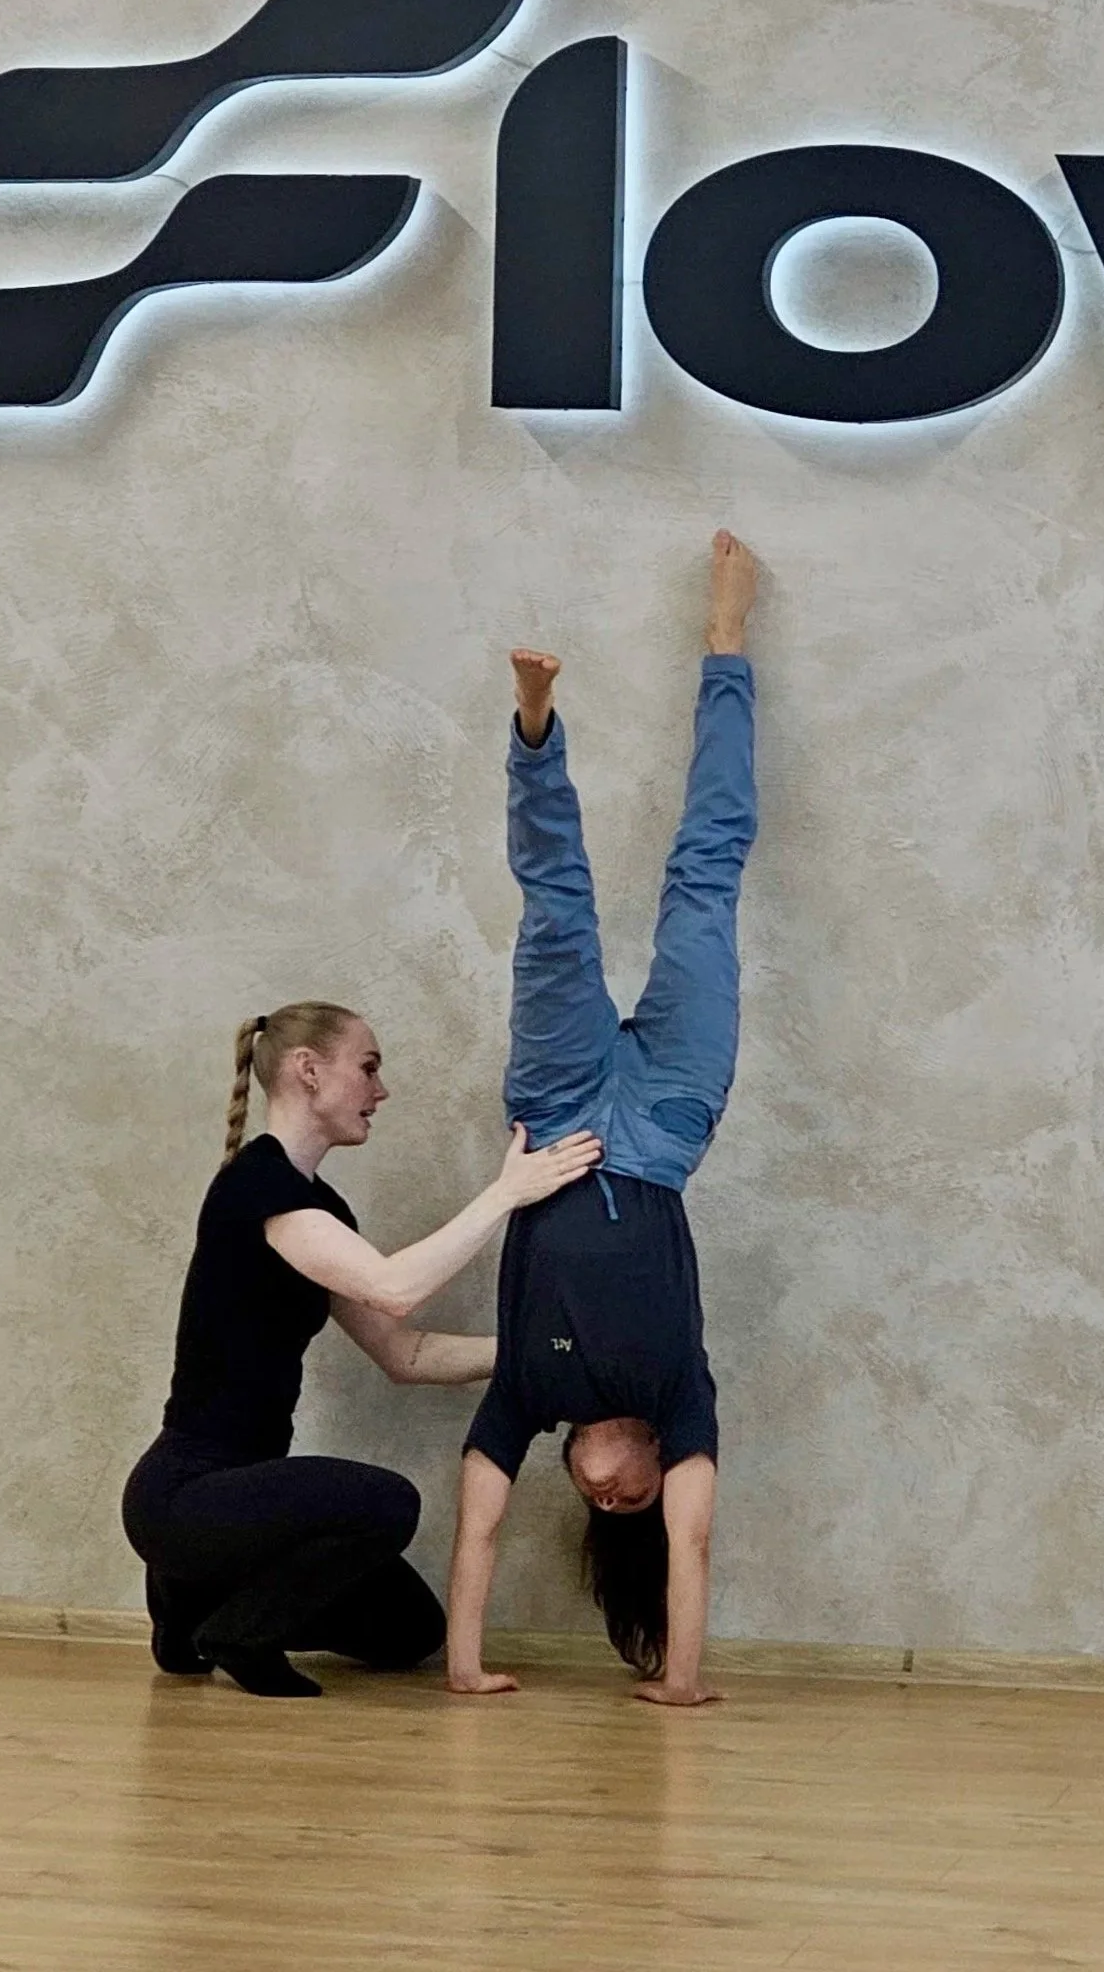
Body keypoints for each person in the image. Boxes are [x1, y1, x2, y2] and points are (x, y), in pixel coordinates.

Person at [445, 531, 760, 1707]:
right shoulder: (684, 1402)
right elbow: (693, 1545)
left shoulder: (526, 1391)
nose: (615, 1494)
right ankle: (725, 646)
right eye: (632, 1497)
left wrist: (466, 1669)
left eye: (599, 1501)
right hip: (672, 1124)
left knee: (558, 911)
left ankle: (534, 732)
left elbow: (474, 1536)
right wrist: (680, 1683)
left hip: (559, 1106)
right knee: (708, 876)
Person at [121, 1003, 601, 1696]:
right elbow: (394, 1288)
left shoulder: (320, 1210)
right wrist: (506, 1194)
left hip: (235, 1504)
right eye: (369, 1068)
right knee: (387, 1503)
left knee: (408, 1631)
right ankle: (235, 1633)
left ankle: (190, 1612)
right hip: (184, 1498)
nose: (383, 1090)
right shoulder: (259, 1187)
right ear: (308, 1072)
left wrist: (538, 1354)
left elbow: (406, 1353)